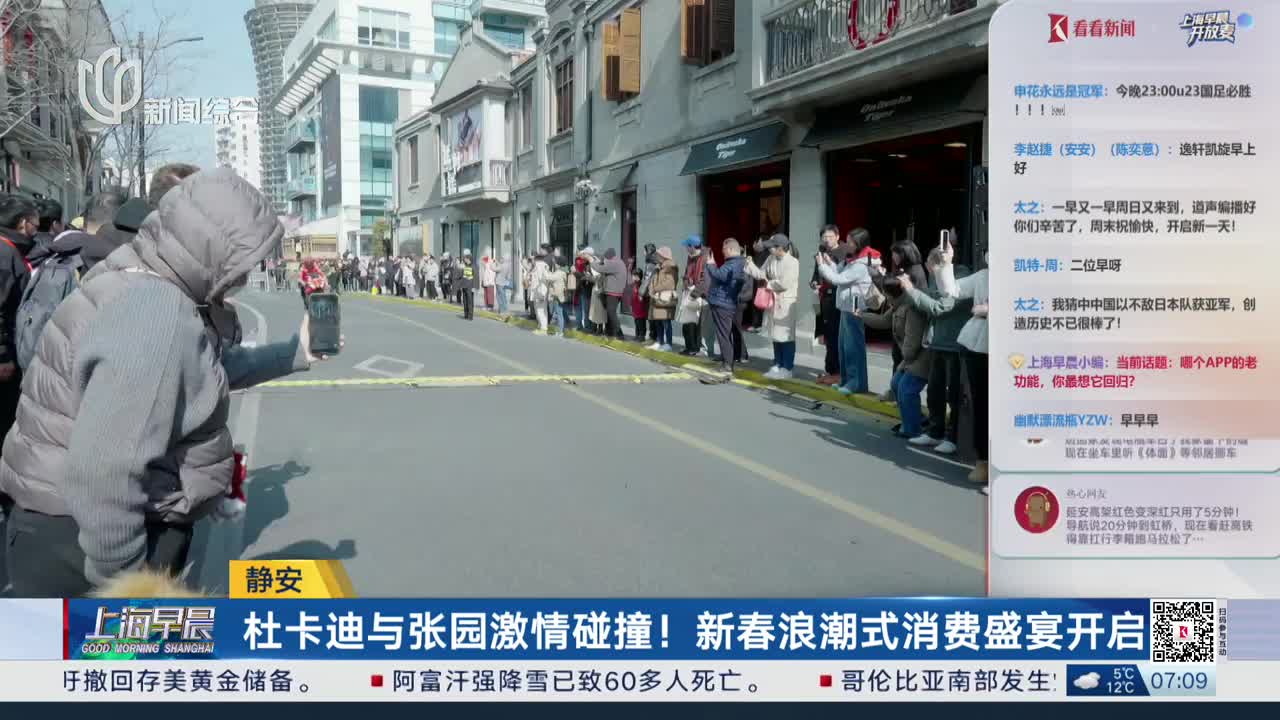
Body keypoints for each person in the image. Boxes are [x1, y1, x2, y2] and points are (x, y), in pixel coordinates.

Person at [0, 168, 334, 597]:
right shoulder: (156, 313)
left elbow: (197, 375)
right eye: (246, 260)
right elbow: (105, 473)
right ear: (214, 249)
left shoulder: (130, 275)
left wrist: (294, 353)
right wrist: (126, 583)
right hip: (90, 545)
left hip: (58, 525)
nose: (247, 275)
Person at [902, 244, 989, 485]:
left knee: (996, 409)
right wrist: (947, 263)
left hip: (1008, 351)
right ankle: (983, 461)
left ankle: (998, 468)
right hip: (976, 346)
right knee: (981, 406)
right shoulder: (983, 276)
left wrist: (990, 310)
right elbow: (952, 290)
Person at [907, 237, 971, 456]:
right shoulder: (935, 277)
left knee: (954, 394)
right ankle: (935, 431)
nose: (927, 268)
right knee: (934, 391)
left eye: (929, 263)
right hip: (938, 342)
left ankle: (953, 437)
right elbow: (930, 303)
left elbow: (941, 307)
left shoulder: (960, 277)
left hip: (955, 343)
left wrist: (912, 291)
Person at [858, 274, 931, 440]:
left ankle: (912, 429)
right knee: (896, 383)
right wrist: (861, 316)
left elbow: (913, 340)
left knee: (906, 388)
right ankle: (916, 419)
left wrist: (904, 361)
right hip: (912, 357)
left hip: (923, 357)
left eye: (884, 292)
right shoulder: (899, 305)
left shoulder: (912, 307)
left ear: (889, 293)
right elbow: (883, 320)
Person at [816, 228, 877, 395]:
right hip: (846, 307)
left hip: (854, 308)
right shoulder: (853, 259)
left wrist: (822, 266)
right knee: (843, 346)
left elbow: (839, 279)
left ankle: (856, 383)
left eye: (850, 241)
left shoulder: (861, 263)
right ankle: (846, 380)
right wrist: (829, 264)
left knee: (853, 348)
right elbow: (840, 272)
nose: (847, 244)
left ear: (859, 244)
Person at [0, 195, 36, 448]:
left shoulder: (9, 249)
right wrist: (2, 355)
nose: (37, 230)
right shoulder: (4, 254)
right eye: (35, 224)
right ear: (23, 223)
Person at [744, 234, 800, 379]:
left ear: (780, 248)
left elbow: (784, 284)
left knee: (786, 336)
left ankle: (787, 367)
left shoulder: (793, 262)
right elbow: (761, 274)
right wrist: (750, 265)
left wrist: (768, 284)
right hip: (773, 301)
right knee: (775, 334)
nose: (769, 249)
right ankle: (777, 363)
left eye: (771, 247)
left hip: (785, 303)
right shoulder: (771, 258)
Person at [703, 238, 748, 374]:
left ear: (730, 249)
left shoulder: (735, 263)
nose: (722, 252)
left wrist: (711, 264)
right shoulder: (735, 262)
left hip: (723, 303)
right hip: (723, 302)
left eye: (723, 249)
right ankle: (727, 360)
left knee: (723, 334)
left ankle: (727, 365)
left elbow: (720, 275)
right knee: (725, 333)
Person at [812, 225, 842, 385]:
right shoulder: (820, 254)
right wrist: (814, 283)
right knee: (827, 336)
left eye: (830, 236)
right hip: (823, 300)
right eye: (824, 237)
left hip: (837, 300)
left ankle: (837, 372)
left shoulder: (844, 253)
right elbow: (816, 275)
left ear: (837, 236)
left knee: (835, 336)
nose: (827, 240)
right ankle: (830, 370)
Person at [646, 246, 679, 352]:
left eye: (659, 254)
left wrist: (655, 289)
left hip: (665, 298)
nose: (657, 256)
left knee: (666, 322)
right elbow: (653, 280)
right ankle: (659, 342)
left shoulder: (670, 267)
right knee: (658, 321)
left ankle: (668, 343)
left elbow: (670, 283)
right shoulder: (659, 267)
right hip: (657, 297)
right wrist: (651, 290)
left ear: (664, 256)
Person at [679, 236, 707, 356]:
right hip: (689, 292)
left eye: (687, 246)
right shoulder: (690, 257)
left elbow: (704, 280)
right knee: (687, 322)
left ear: (692, 247)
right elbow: (687, 273)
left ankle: (696, 348)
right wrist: (686, 281)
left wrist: (694, 294)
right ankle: (689, 347)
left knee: (696, 324)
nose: (685, 248)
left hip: (700, 295)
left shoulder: (705, 258)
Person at [591, 248, 628, 339]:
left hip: (613, 293)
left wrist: (592, 262)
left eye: (605, 258)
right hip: (614, 292)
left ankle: (619, 334)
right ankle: (609, 332)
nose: (605, 260)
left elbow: (599, 268)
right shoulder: (618, 262)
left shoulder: (614, 263)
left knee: (611, 313)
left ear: (609, 257)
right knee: (609, 312)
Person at [639, 243, 659, 342]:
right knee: (652, 315)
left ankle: (652, 336)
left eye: (644, 250)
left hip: (650, 292)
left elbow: (647, 279)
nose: (643, 252)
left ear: (648, 251)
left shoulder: (650, 264)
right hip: (653, 291)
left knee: (651, 316)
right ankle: (654, 336)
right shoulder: (654, 262)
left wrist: (641, 292)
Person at [530, 247, 552, 334]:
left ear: (537, 259)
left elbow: (542, 279)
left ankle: (543, 328)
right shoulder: (541, 266)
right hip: (539, 290)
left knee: (540, 310)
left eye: (533, 259)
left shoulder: (540, 266)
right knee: (539, 309)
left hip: (540, 291)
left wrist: (542, 293)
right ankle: (540, 326)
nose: (532, 261)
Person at [573, 248, 596, 332]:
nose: (582, 255)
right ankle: (585, 326)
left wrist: (576, 273)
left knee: (587, 310)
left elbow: (594, 278)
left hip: (588, 289)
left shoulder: (592, 263)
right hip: (582, 288)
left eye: (584, 253)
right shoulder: (584, 262)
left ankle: (588, 327)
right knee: (583, 308)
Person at [547, 256, 569, 337]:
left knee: (559, 313)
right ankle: (559, 330)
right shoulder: (563, 272)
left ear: (558, 265)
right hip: (560, 295)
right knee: (559, 313)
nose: (554, 264)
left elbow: (549, 278)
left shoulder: (559, 273)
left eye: (555, 263)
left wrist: (545, 271)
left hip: (557, 295)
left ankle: (560, 331)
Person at [453, 249, 476, 319]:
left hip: (470, 286)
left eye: (465, 258)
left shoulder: (473, 266)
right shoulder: (464, 266)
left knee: (470, 301)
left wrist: (474, 287)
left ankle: (470, 315)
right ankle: (466, 314)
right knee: (465, 301)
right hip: (464, 285)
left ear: (468, 259)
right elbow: (461, 276)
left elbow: (476, 277)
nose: (464, 260)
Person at [629, 269, 648, 342]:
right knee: (636, 322)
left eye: (634, 276)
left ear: (638, 277)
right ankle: (637, 335)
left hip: (641, 308)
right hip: (635, 307)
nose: (632, 277)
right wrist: (631, 304)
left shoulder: (641, 285)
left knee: (641, 323)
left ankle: (642, 336)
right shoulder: (634, 285)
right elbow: (632, 295)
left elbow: (644, 295)